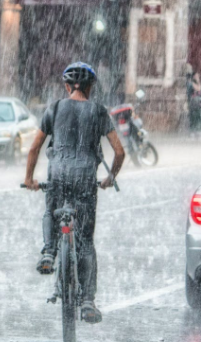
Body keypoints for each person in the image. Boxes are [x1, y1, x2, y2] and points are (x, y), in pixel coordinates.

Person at [23, 62, 125, 324]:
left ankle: (48, 252)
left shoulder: (55, 108)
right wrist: (109, 177)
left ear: (67, 86)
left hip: (58, 175)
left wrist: (29, 178)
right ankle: (88, 301)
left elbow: (34, 148)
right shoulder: (99, 111)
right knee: (86, 242)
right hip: (85, 180)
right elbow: (119, 151)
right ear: (90, 88)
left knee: (51, 209)